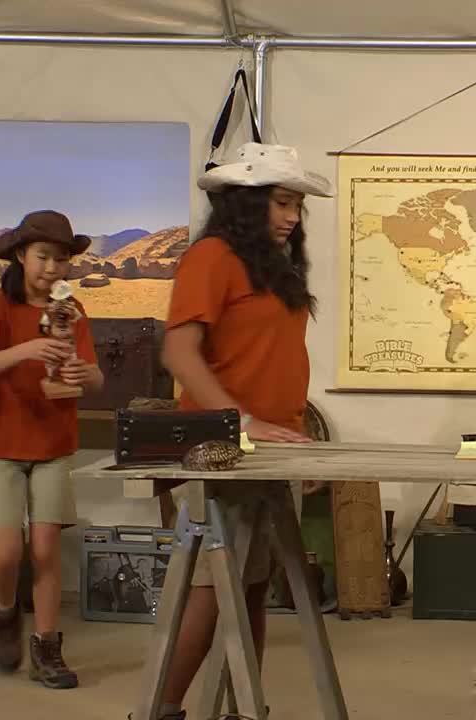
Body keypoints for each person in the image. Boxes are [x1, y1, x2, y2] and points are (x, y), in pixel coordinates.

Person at [151, 142, 331, 720]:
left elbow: (273, 358)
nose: (291, 218)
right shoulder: (211, 257)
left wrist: (295, 442)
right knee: (210, 590)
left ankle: (243, 709)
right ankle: (162, 710)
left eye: (297, 206)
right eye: (282, 203)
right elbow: (180, 354)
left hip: (272, 448)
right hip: (218, 448)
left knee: (251, 587)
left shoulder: (274, 266)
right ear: (245, 202)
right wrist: (242, 422)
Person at [0, 209, 104, 689]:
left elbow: (93, 374)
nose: (52, 268)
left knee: (45, 552)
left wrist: (86, 376)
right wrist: (26, 350)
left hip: (54, 444)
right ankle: (5, 612)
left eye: (61, 260)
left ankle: (47, 649)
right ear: (21, 256)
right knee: (5, 554)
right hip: (3, 444)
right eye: (43, 257)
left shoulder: (72, 311)